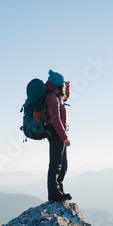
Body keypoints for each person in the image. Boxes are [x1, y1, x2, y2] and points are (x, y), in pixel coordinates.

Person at [45, 69, 72, 202]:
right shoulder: (52, 98)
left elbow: (65, 97)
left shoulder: (57, 97)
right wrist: (64, 138)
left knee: (63, 165)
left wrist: (67, 85)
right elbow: (56, 120)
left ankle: (59, 190)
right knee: (56, 165)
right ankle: (54, 194)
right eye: (62, 84)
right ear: (57, 85)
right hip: (56, 135)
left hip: (59, 135)